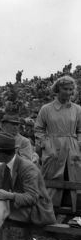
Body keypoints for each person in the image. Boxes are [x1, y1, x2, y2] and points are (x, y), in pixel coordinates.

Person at [34, 76, 81, 208]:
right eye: (65, 89)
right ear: (57, 89)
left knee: (73, 177)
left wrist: (79, 143)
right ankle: (48, 212)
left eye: (71, 89)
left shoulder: (77, 109)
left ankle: (74, 213)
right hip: (53, 147)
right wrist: (45, 144)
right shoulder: (46, 109)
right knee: (52, 179)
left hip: (73, 148)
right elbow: (38, 129)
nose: (68, 92)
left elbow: (80, 130)